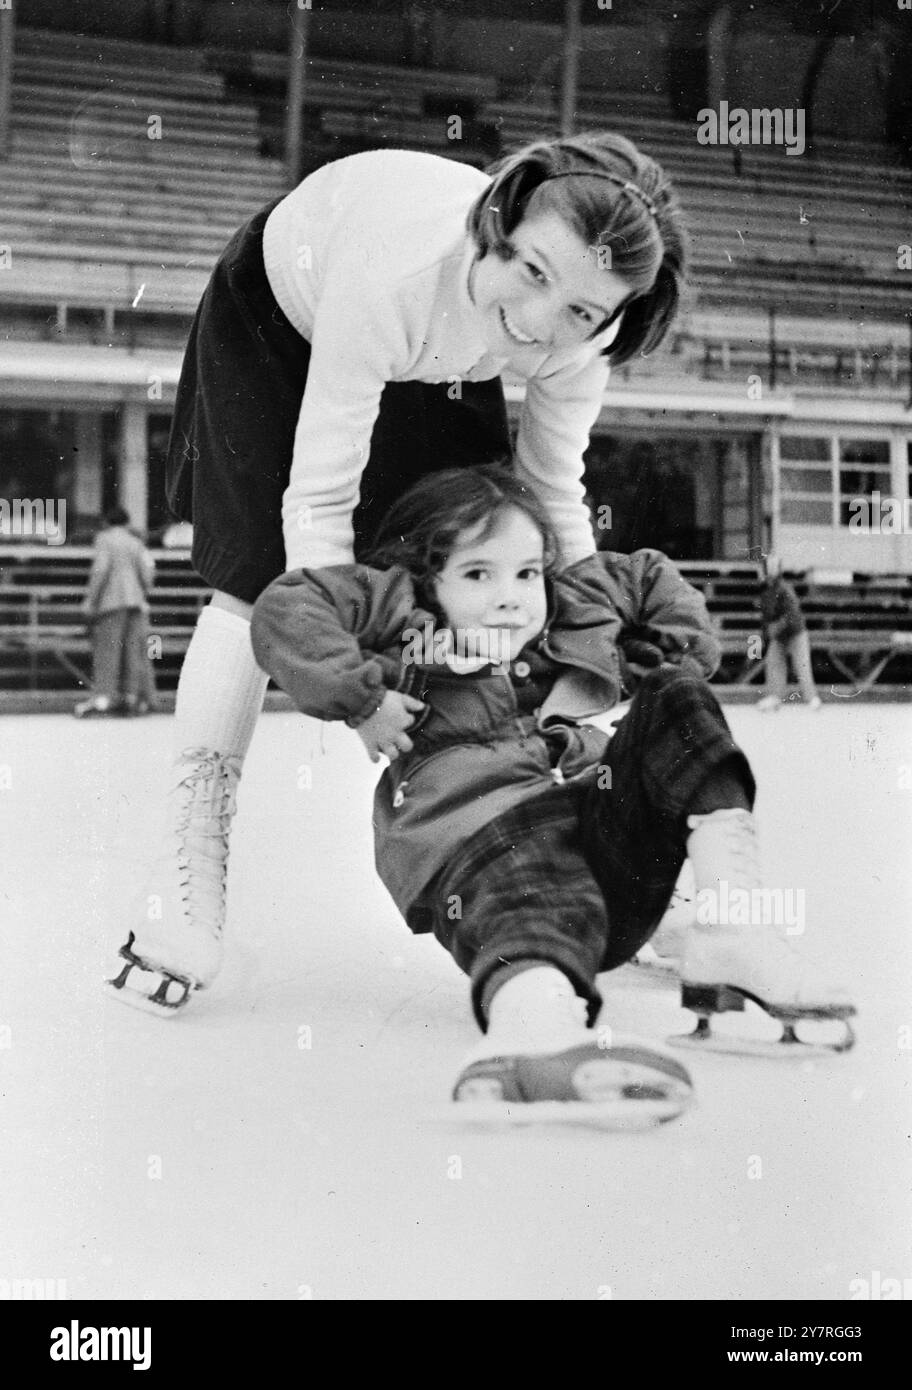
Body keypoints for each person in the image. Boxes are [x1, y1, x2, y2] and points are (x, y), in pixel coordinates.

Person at [105, 131, 689, 1014]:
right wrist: (348, 674)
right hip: (283, 317)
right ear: (498, 225)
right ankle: (190, 848)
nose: (540, 323)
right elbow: (319, 499)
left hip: (444, 356)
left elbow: (553, 496)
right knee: (261, 576)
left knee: (492, 555)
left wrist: (585, 647)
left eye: (581, 311)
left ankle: (577, 831)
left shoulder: (574, 333)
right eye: (534, 272)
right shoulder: (392, 275)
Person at [248, 466, 853, 1124]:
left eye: (527, 573)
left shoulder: (561, 611)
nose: (510, 597)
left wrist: (660, 656)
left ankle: (735, 932)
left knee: (677, 696)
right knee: (531, 868)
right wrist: (362, 698)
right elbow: (288, 608)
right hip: (480, 844)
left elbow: (649, 574)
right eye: (478, 575)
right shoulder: (406, 620)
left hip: (599, 857)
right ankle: (532, 1029)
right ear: (428, 581)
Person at [75, 505, 156, 718]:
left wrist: (91, 600)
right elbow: (147, 573)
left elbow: (100, 570)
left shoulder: (105, 539)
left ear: (106, 521)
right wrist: (140, 592)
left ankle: (104, 698)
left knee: (107, 651)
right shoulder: (136, 542)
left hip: (111, 602)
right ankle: (131, 698)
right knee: (133, 652)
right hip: (136, 602)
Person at [756, 554, 822, 711]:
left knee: (802, 665)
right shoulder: (765, 591)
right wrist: (767, 633)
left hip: (795, 632)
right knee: (773, 663)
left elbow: (792, 614)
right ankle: (774, 696)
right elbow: (766, 617)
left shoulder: (785, 588)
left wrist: (777, 626)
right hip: (778, 634)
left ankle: (812, 699)